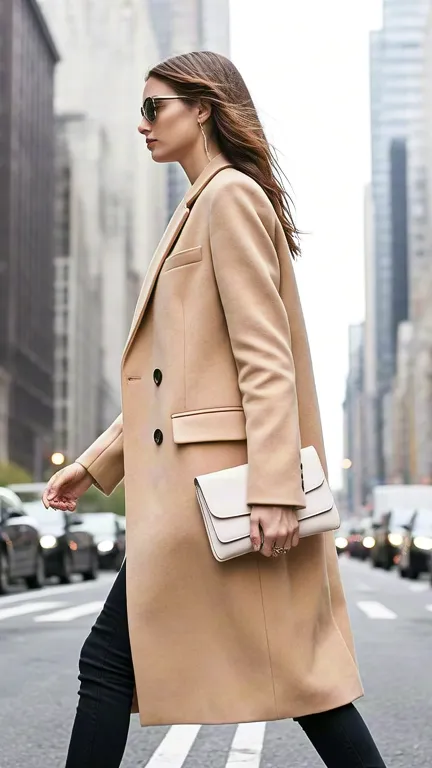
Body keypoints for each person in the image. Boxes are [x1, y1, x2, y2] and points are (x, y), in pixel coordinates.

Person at [42, 51, 387, 768]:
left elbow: (266, 360)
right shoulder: (201, 203)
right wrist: (92, 464)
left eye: (154, 106)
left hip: (213, 493)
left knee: (110, 664)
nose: (142, 124)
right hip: (197, 491)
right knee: (301, 676)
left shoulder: (228, 198)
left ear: (204, 108)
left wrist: (272, 491)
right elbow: (176, 381)